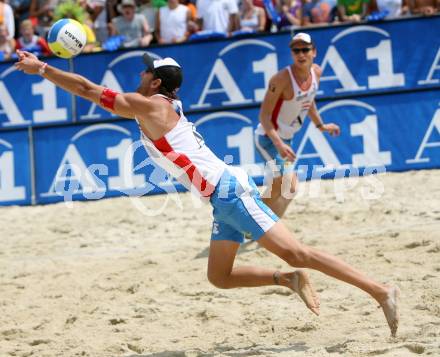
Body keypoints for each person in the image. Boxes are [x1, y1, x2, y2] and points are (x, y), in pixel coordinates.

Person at [14, 48, 400, 337]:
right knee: (220, 276)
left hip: (229, 192)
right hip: (221, 199)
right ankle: (290, 280)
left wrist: (43, 68)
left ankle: (380, 291)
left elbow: (85, 88)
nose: (140, 73)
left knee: (298, 250)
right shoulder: (164, 106)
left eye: (146, 70)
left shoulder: (151, 107)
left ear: (156, 81)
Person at [255, 32, 340, 219]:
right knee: (288, 185)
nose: (301, 54)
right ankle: (253, 221)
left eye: (305, 49)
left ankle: (267, 227)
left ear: (314, 52)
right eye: (296, 50)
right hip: (268, 139)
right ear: (292, 54)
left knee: (287, 190)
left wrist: (321, 126)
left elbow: (308, 102)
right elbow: (264, 115)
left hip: (286, 140)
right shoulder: (281, 79)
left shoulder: (316, 72)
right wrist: (279, 144)